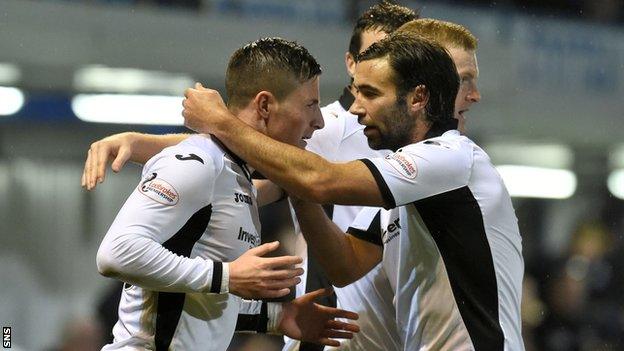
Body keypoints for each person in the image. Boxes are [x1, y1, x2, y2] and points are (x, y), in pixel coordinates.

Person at [83, 3, 418, 351]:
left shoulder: (239, 177)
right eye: (309, 106)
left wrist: (275, 318)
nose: (317, 121)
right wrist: (228, 275)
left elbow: (197, 300)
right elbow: (115, 254)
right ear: (264, 106)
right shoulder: (200, 162)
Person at [181, 32, 525, 351]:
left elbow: (321, 180)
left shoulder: (451, 158)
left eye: (371, 94)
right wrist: (300, 193)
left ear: (418, 98)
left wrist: (221, 122)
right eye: (357, 92)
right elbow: (344, 265)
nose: (357, 108)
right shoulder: (401, 187)